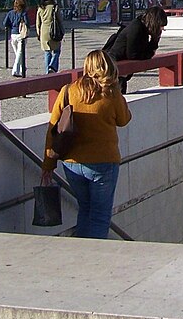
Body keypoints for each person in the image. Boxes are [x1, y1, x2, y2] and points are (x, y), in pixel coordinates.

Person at [40, 50, 131, 239]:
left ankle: (81, 253)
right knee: (99, 216)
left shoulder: (69, 90)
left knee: (85, 210)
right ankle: (95, 259)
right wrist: (117, 91)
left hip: (72, 163)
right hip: (103, 162)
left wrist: (48, 164)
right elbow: (123, 119)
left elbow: (53, 128)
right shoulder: (111, 93)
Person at [105, 5, 168, 93]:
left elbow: (145, 51)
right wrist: (148, 53)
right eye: (161, 26)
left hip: (121, 70)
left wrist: (155, 39)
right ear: (155, 22)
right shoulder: (136, 28)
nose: (162, 29)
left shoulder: (143, 28)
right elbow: (133, 55)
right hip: (114, 68)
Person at [36, 0, 64, 73]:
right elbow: (60, 20)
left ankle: (47, 71)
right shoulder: (55, 7)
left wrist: (38, 33)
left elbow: (38, 22)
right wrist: (62, 31)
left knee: (47, 52)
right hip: (54, 31)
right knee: (57, 51)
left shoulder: (40, 8)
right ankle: (53, 66)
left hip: (44, 32)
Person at [3, 0, 28, 77]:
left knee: (18, 53)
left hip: (13, 35)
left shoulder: (10, 13)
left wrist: (11, 27)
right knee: (19, 54)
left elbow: (5, 23)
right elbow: (27, 23)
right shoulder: (23, 13)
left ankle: (22, 68)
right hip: (21, 35)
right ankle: (15, 71)